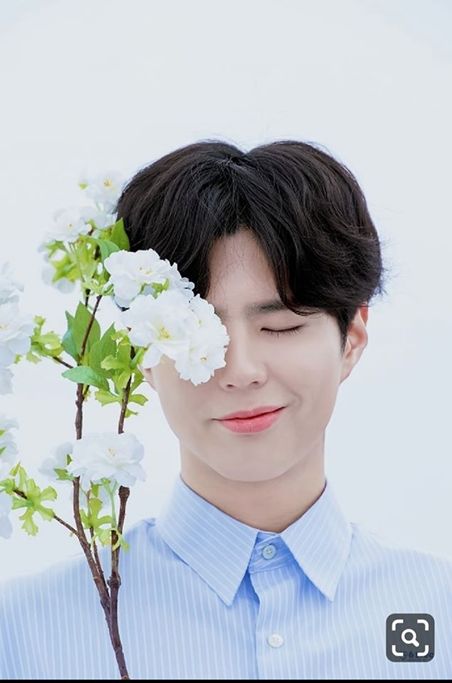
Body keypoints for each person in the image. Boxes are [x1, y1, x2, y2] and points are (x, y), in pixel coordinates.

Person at [1, 140, 451, 680]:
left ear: (351, 337)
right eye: (198, 333)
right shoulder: (25, 634)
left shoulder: (437, 612)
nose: (240, 369)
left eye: (280, 326)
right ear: (141, 352)